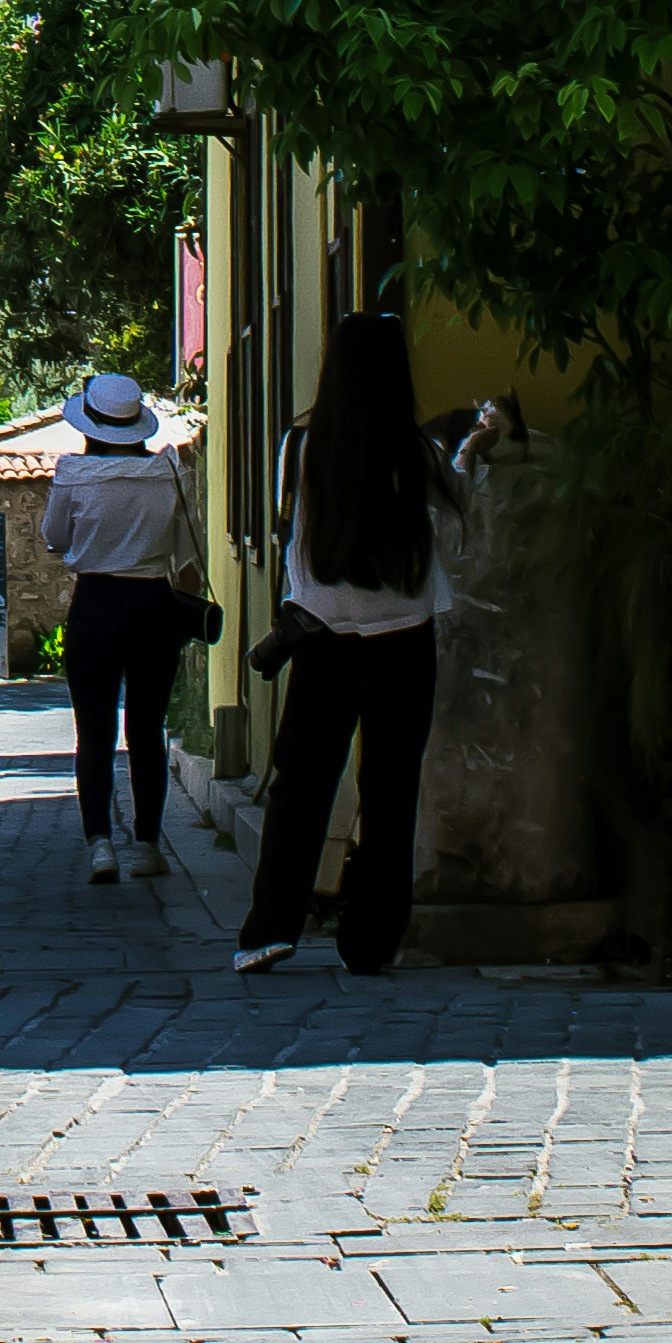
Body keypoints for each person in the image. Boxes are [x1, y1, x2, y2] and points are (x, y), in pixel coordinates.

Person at [234, 313, 463, 980]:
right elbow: (440, 539)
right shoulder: (418, 454)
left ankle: (269, 929)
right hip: (407, 637)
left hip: (325, 636)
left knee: (301, 786)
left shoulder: (301, 448)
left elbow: (289, 540)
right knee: (392, 788)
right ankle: (373, 938)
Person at [40, 367, 205, 885]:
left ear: (90, 424)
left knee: (93, 733)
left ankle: (100, 845)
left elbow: (55, 537)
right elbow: (187, 555)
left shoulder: (71, 473)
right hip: (154, 606)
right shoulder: (170, 473)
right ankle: (148, 844)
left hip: (95, 604)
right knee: (147, 730)